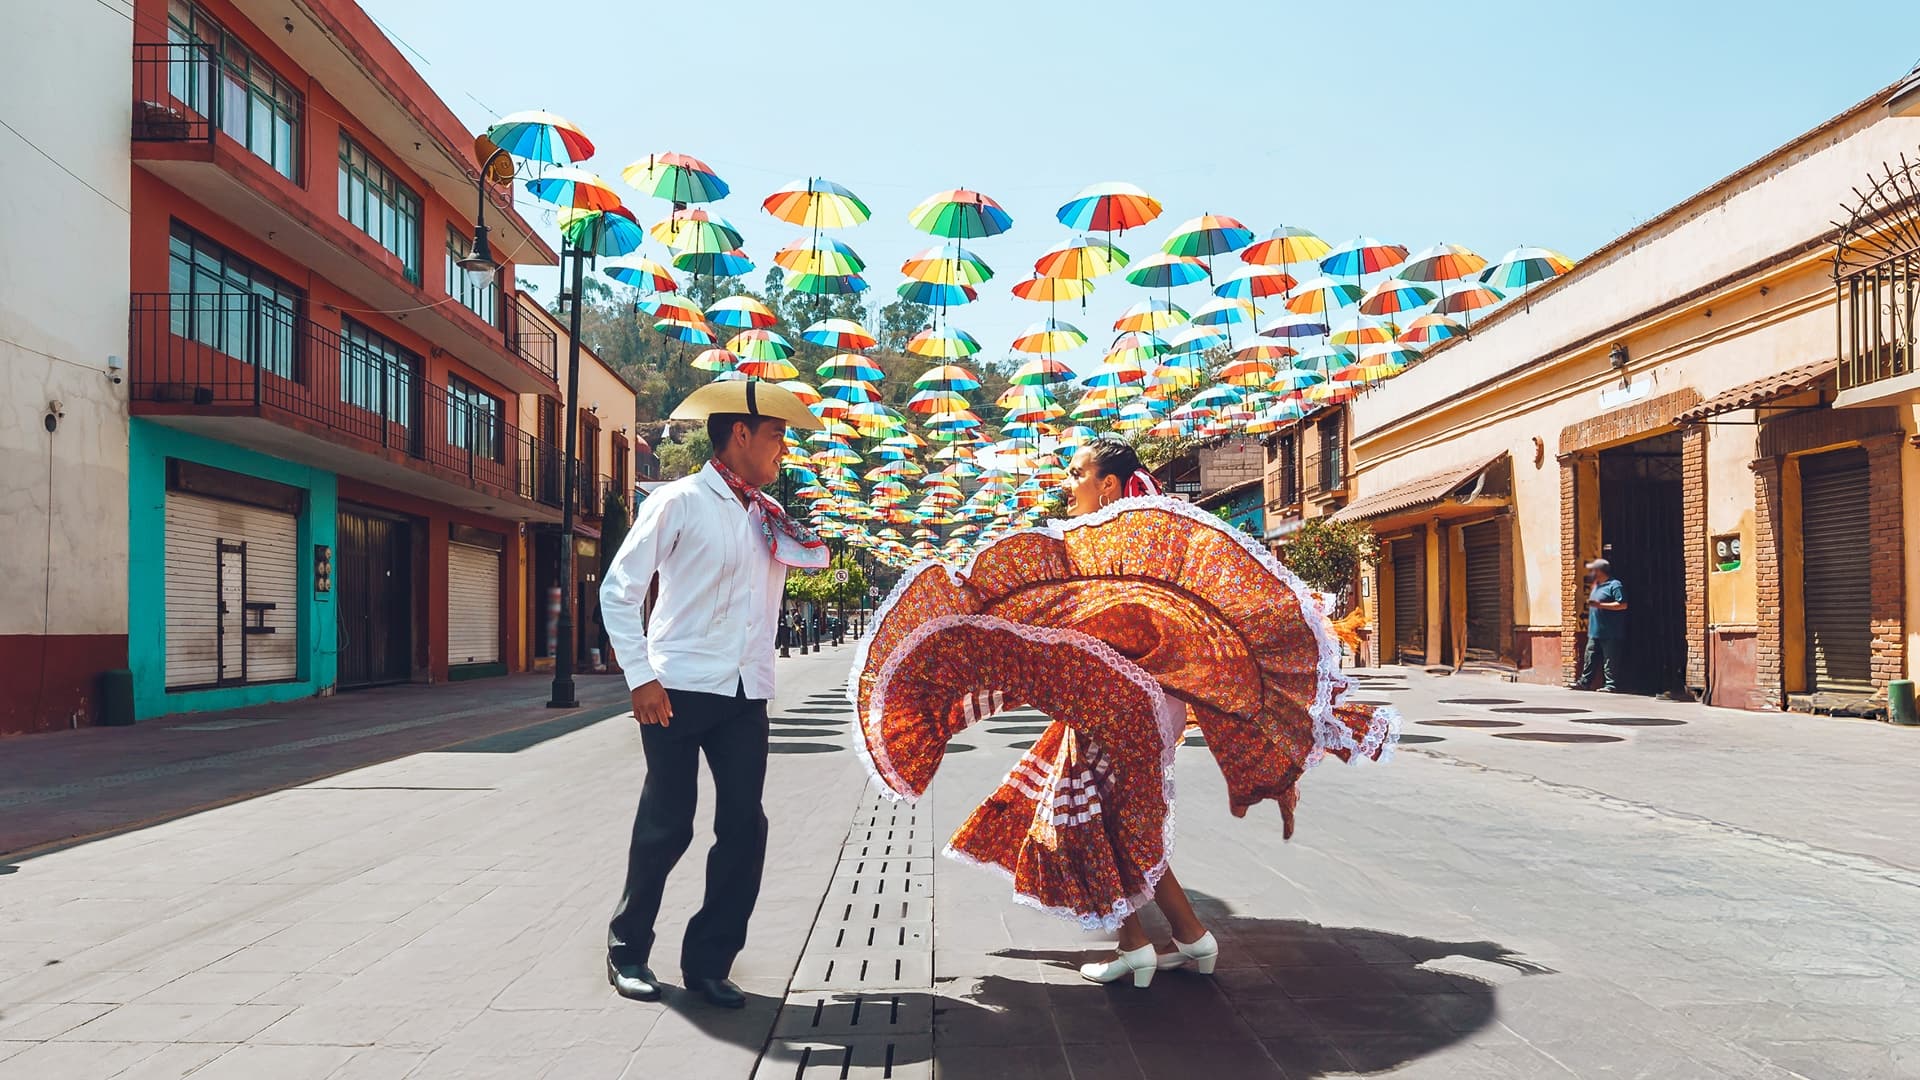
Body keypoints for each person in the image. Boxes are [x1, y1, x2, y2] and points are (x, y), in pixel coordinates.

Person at [847, 437, 1397, 990]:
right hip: (1133, 706)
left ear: (1106, 483)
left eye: (1076, 473)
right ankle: (1189, 936)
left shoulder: (1124, 545)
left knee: (1086, 817)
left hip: (1126, 706)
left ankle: (1135, 944)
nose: (1068, 485)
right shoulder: (1131, 545)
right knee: (1111, 817)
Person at [598, 381, 827, 1009]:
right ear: (741, 434)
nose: (784, 445)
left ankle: (708, 962)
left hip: (745, 691)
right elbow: (619, 589)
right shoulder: (679, 501)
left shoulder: (767, 517)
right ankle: (628, 951)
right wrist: (640, 676)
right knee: (667, 825)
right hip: (675, 689)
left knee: (744, 828)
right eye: (776, 433)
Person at [1578, 558, 1629, 693]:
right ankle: (1584, 682)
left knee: (1610, 659)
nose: (1591, 572)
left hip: (1611, 631)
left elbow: (1622, 604)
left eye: (1593, 569)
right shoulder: (1596, 586)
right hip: (1594, 630)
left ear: (1599, 571)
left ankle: (1610, 685)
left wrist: (1600, 605)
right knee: (1589, 656)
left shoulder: (1615, 585)